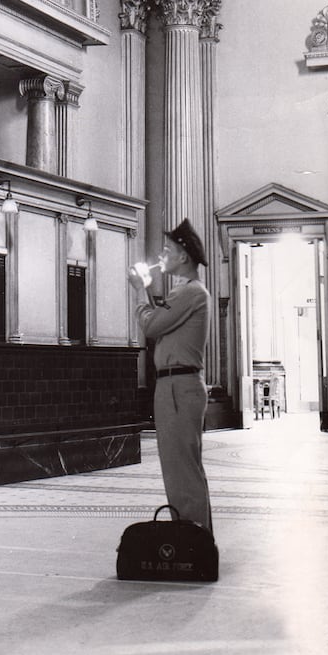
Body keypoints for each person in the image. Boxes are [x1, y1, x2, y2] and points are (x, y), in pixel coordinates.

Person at [127, 218, 213, 533]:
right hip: (176, 386)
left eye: (168, 250)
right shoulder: (187, 293)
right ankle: (193, 535)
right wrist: (147, 294)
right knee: (180, 467)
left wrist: (140, 291)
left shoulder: (189, 293)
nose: (162, 255)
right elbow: (159, 323)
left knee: (181, 468)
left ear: (183, 257)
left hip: (179, 387)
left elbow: (150, 327)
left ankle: (194, 538)